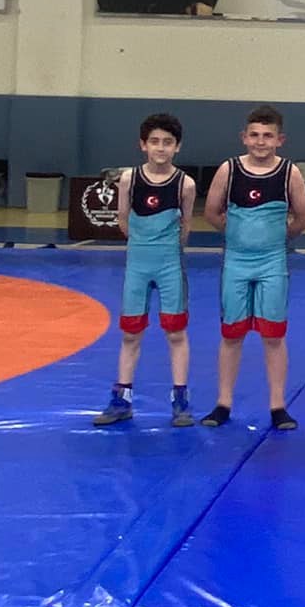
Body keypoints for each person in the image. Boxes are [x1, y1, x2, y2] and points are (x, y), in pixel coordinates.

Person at [201, 104, 305, 431]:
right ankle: (223, 403)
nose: (261, 142)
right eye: (255, 135)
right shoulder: (229, 170)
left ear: (280, 140)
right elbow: (211, 212)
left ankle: (278, 406)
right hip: (236, 261)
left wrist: (276, 238)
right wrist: (238, 234)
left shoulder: (289, 173)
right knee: (231, 333)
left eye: (268, 136)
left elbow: (303, 217)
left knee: (273, 335)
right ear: (244, 138)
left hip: (272, 262)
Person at [94, 113, 196, 428]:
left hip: (169, 265)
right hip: (138, 264)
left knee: (176, 332)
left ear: (177, 147)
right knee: (130, 333)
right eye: (154, 142)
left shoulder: (185, 184)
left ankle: (180, 400)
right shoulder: (129, 180)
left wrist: (164, 249)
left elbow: (186, 226)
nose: (160, 148)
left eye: (167, 142)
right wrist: (142, 246)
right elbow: (123, 219)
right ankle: (121, 400)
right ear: (143, 145)